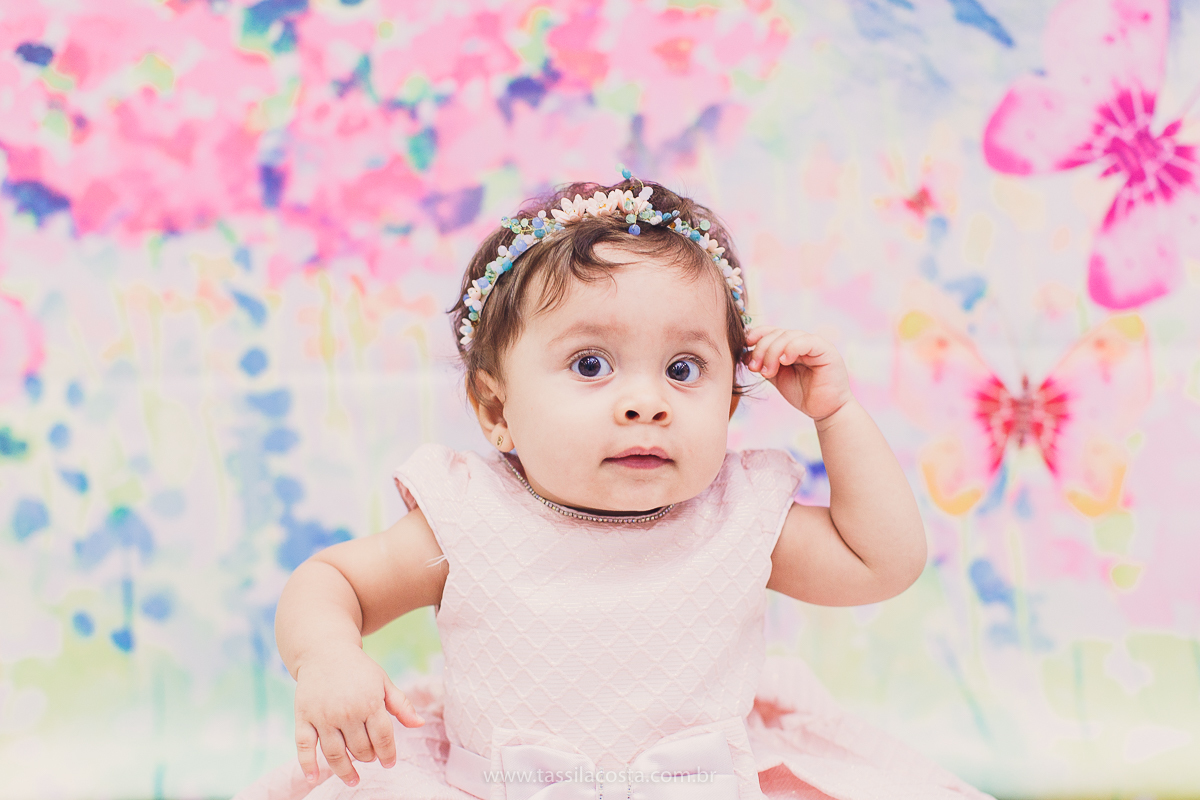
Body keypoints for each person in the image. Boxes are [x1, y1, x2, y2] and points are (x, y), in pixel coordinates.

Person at [234, 176, 993, 800]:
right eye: (591, 365)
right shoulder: (468, 516)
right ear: (496, 410)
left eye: (683, 369)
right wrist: (329, 655)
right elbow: (332, 580)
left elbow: (880, 562)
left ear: (730, 403)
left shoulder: (735, 517)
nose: (646, 402)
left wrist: (837, 415)